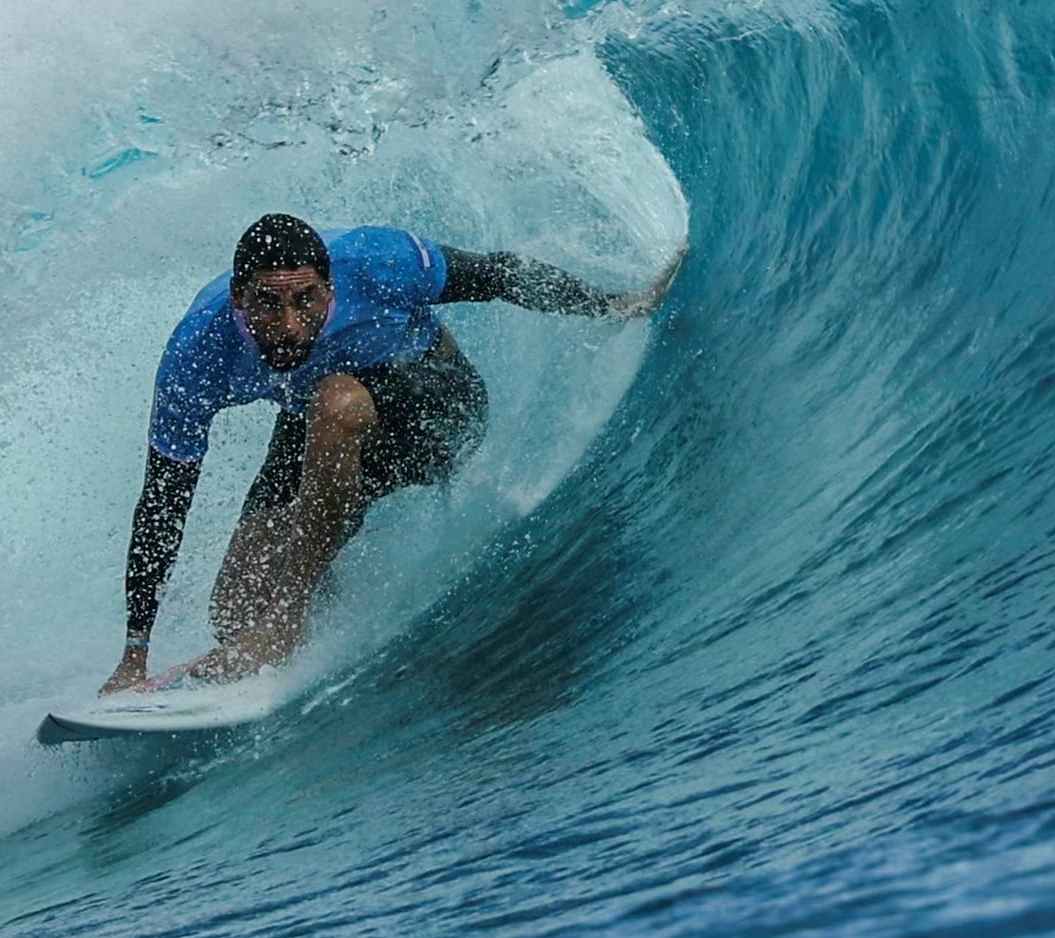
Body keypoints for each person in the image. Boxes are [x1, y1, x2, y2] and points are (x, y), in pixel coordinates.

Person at [103, 213, 683, 693]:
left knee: (336, 399)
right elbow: (162, 503)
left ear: (330, 288)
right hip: (324, 430)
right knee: (232, 611)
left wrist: (616, 305)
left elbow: (498, 275)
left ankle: (285, 620)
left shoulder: (377, 263)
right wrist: (135, 653)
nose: (289, 325)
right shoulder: (198, 351)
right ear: (238, 299)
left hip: (438, 409)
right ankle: (300, 615)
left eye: (306, 301)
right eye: (267, 306)